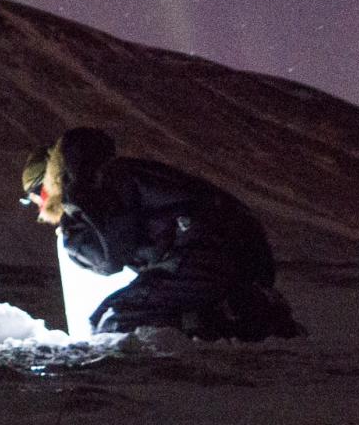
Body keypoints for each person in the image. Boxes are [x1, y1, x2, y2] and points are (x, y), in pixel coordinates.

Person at [21, 127, 301, 340]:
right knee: (151, 305)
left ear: (50, 179)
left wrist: (72, 227)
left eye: (38, 195)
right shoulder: (123, 172)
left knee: (113, 320)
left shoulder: (102, 184)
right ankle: (248, 310)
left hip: (202, 254)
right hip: (231, 254)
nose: (41, 207)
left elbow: (109, 256)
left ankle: (244, 318)